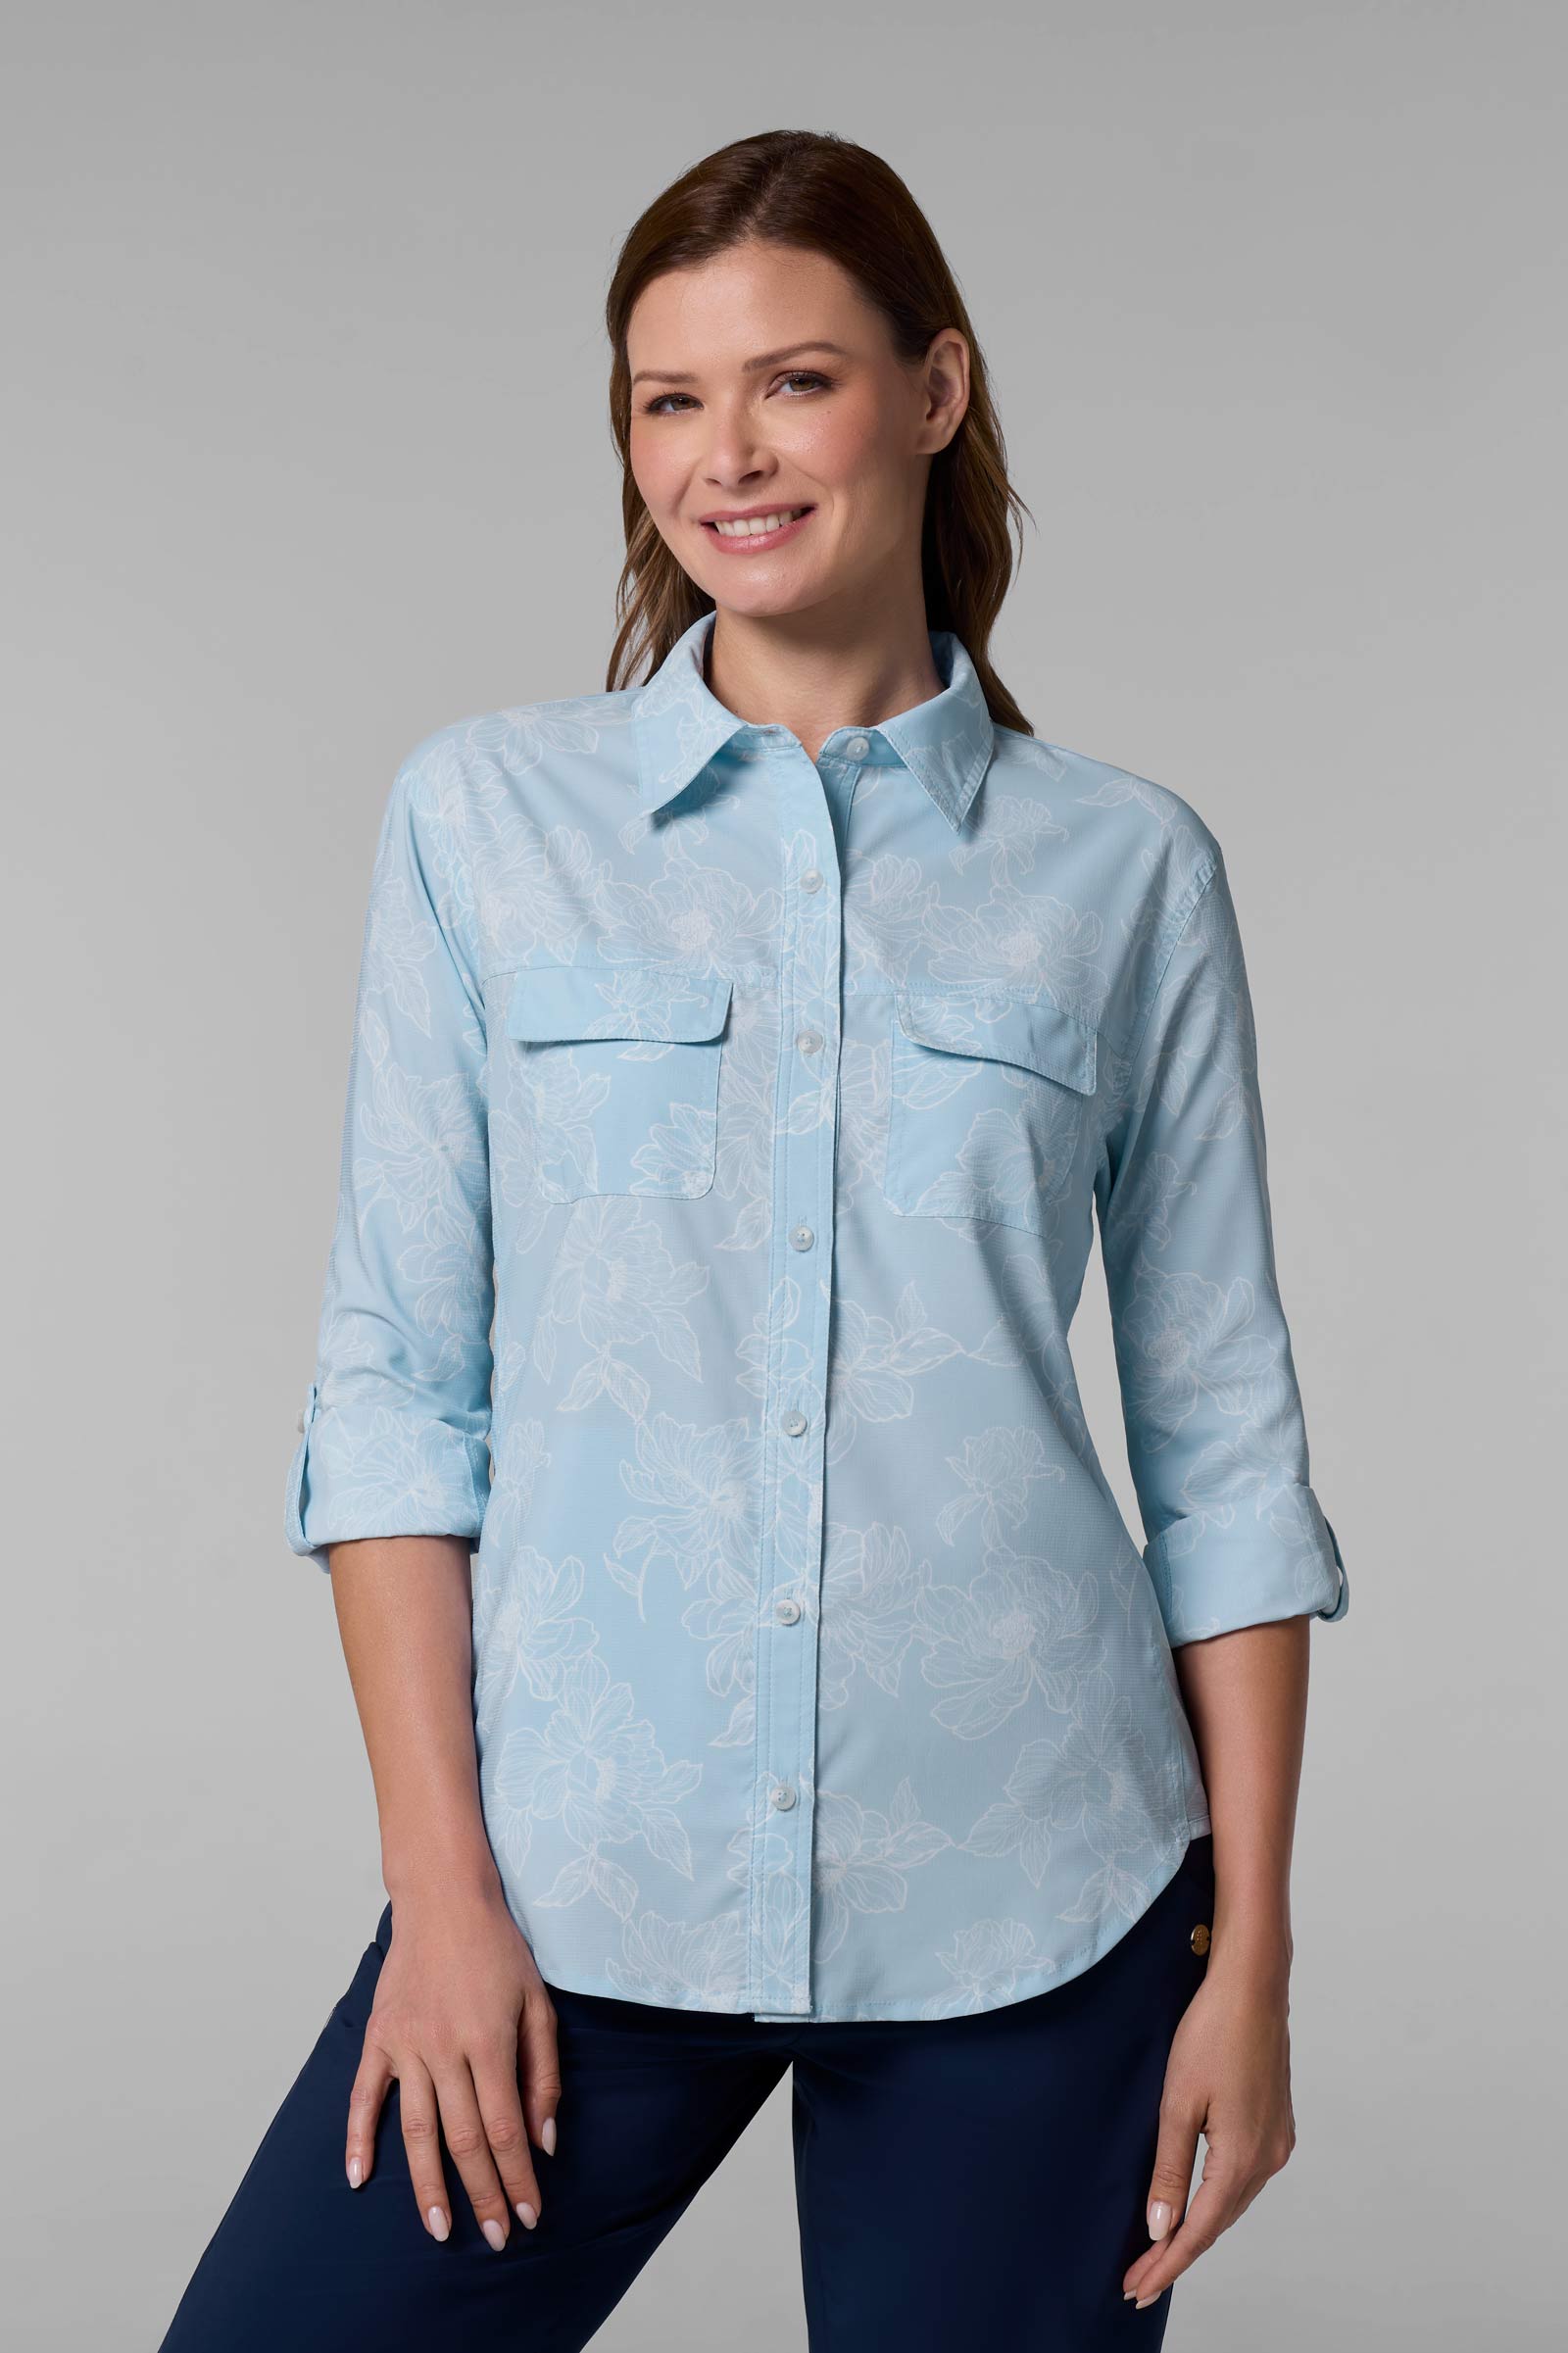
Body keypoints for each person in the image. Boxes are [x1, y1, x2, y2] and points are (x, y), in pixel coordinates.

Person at [157, 128, 1348, 2351]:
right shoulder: (483, 823)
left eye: (793, 381)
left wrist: (1252, 1960)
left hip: (1038, 1897)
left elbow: (1224, 1450)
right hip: (571, 1883)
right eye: (668, 399)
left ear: (934, 389)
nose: (727, 455)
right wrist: (439, 1892)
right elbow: (398, 1390)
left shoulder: (1124, 873)